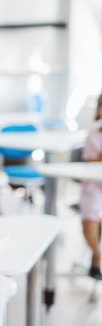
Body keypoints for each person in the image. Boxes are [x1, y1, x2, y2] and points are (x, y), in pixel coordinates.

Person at [80, 94, 102, 280]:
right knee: (90, 221)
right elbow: (89, 163)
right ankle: (97, 256)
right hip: (94, 187)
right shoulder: (93, 137)